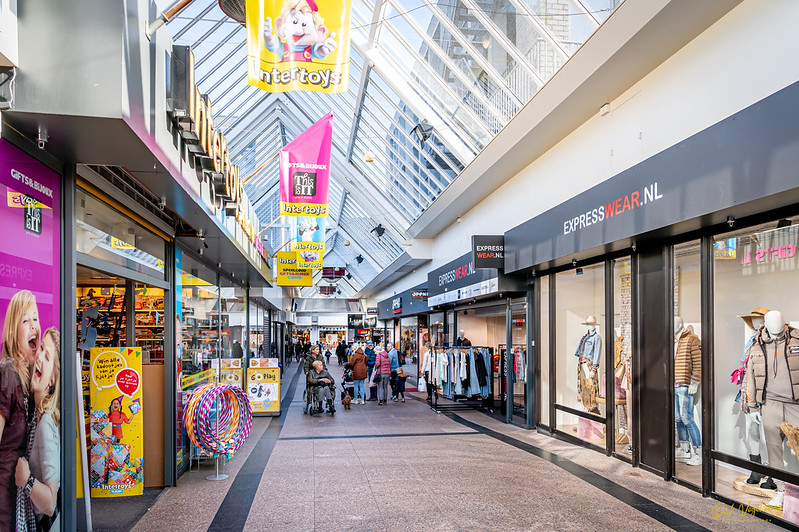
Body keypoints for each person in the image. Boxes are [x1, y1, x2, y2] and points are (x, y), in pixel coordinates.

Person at [0, 290, 40, 530]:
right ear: (13, 329)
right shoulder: (7, 373)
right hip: (6, 485)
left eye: (35, 318)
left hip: (21, 482)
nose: (33, 325)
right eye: (26, 320)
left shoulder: (29, 373)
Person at [16, 327, 60, 531]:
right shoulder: (37, 415)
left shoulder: (44, 425)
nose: (39, 356)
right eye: (41, 347)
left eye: (47, 356)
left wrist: (26, 479)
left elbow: (50, 505)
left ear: (52, 380)